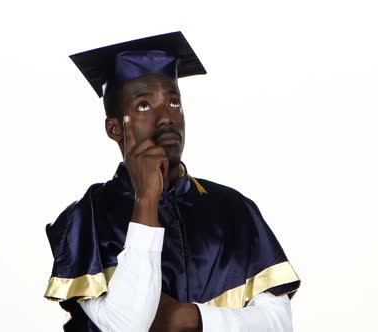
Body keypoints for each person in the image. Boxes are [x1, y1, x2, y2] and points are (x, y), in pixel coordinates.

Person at [44, 31, 300, 332]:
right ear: (115, 128)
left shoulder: (233, 209)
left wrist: (189, 317)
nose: (166, 117)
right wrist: (146, 200)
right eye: (143, 105)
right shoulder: (88, 217)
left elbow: (278, 323)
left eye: (174, 102)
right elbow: (128, 325)